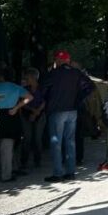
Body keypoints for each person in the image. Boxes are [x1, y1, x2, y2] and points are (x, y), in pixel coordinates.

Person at [41, 50, 93, 183]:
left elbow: (43, 90)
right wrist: (77, 99)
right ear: (68, 60)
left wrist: (48, 101)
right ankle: (70, 172)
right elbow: (90, 86)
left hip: (57, 111)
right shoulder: (76, 73)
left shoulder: (53, 74)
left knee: (56, 142)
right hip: (72, 110)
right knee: (70, 141)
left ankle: (58, 173)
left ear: (57, 60)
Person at [0, 64, 32, 183]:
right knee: (7, 148)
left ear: (0, 76)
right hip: (11, 116)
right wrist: (16, 107)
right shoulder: (15, 87)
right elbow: (29, 97)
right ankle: (6, 175)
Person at [19, 67, 46, 174]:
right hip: (27, 114)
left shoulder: (42, 88)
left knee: (37, 138)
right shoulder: (25, 89)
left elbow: (45, 101)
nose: (26, 79)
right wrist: (32, 110)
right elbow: (22, 102)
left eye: (27, 77)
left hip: (40, 114)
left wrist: (37, 112)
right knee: (27, 138)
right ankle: (24, 161)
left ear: (33, 77)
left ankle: (37, 160)